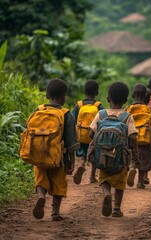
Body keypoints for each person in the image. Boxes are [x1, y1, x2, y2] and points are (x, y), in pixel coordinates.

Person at [89, 82, 138, 217]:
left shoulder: (101, 114)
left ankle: (106, 193)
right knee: (120, 183)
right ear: (125, 101)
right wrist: (135, 151)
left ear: (108, 99)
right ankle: (116, 208)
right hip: (120, 157)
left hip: (103, 155)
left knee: (104, 178)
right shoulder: (127, 117)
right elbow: (133, 137)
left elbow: (90, 133)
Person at [32, 79, 79, 221]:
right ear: (63, 96)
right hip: (58, 158)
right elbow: (71, 142)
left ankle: (41, 195)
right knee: (59, 184)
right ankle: (55, 212)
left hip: (39, 155)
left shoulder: (38, 110)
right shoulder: (66, 114)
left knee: (41, 180)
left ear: (47, 95)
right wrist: (72, 161)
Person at [72, 80, 104, 184]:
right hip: (93, 136)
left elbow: (72, 119)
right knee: (94, 155)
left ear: (84, 92)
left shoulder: (79, 105)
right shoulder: (98, 105)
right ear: (97, 93)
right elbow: (103, 119)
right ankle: (92, 177)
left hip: (81, 135)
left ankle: (81, 164)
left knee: (83, 154)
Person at [126, 84, 151, 188]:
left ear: (132, 96)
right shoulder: (148, 110)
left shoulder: (128, 109)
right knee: (144, 161)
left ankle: (132, 168)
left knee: (133, 158)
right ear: (145, 97)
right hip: (145, 140)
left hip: (131, 140)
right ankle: (140, 182)